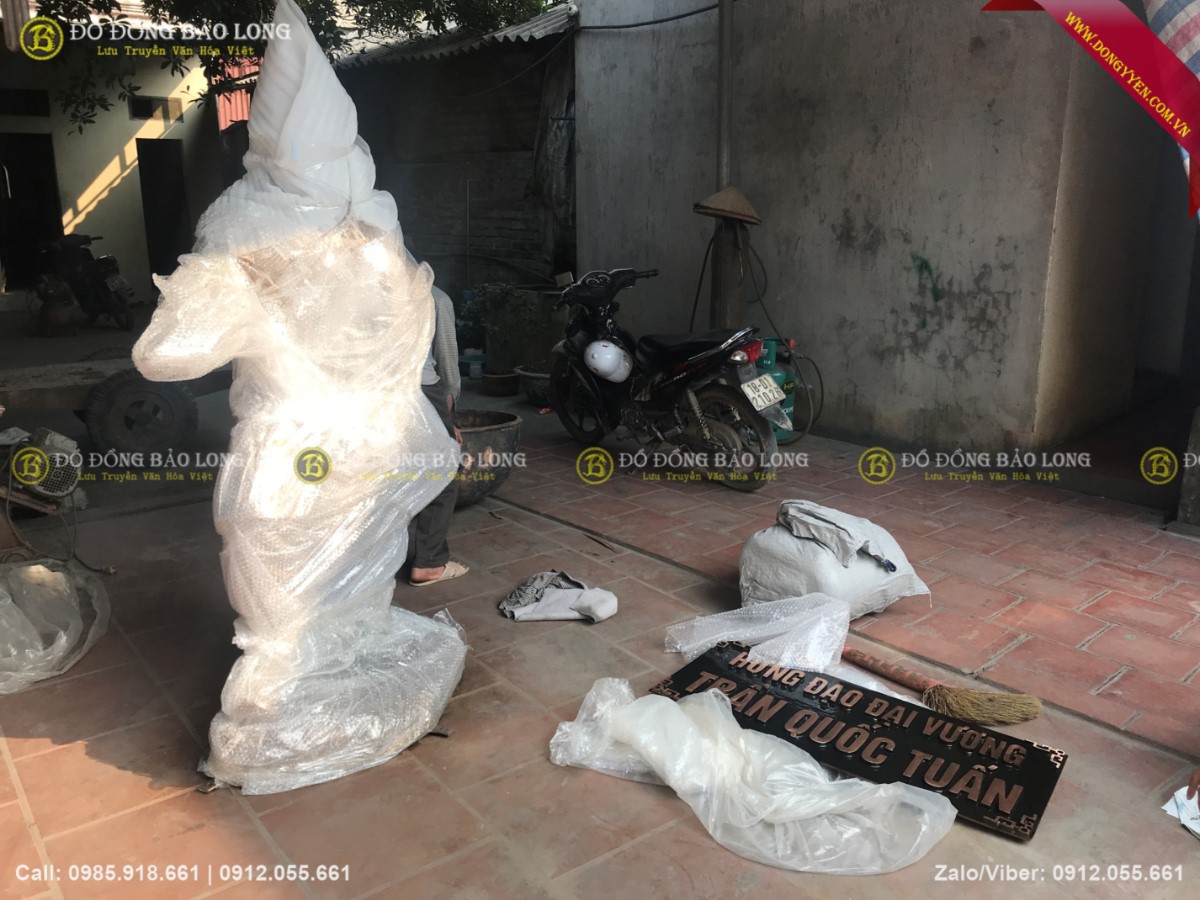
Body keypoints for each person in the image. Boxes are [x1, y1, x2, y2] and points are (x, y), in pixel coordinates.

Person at [409, 284, 471, 586]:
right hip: (420, 388)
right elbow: (447, 361)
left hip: (370, 394)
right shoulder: (435, 297)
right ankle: (429, 563)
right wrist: (448, 415)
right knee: (443, 471)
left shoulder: (362, 288)